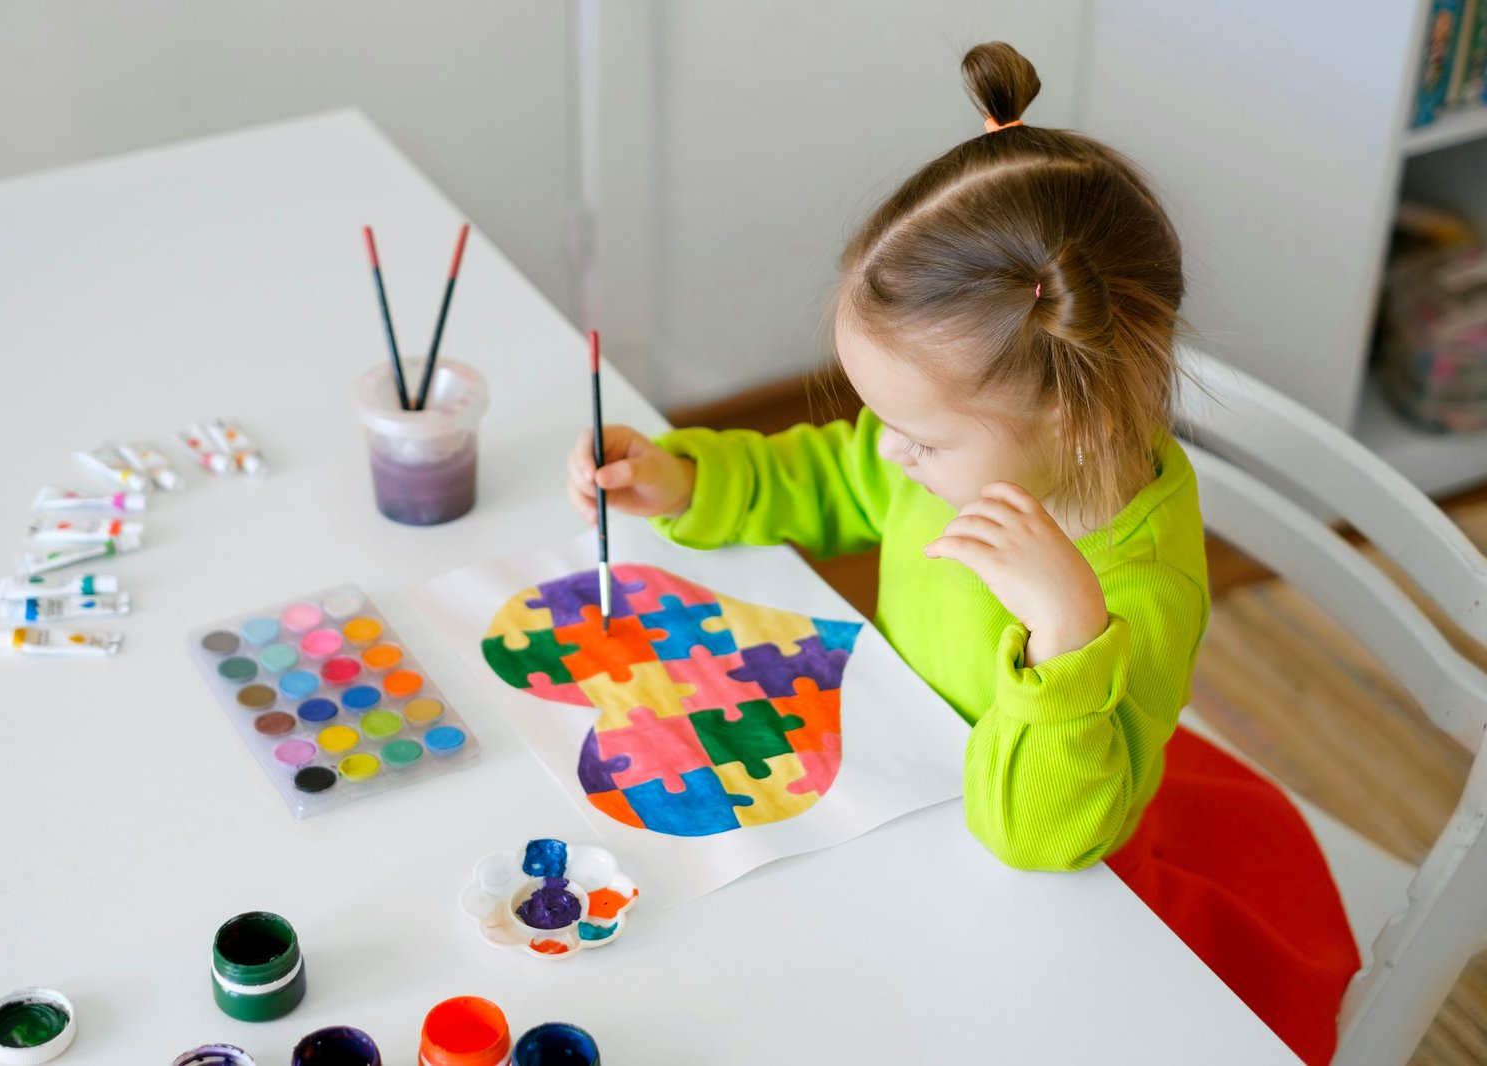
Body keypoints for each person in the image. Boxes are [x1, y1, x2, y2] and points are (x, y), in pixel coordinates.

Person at [566, 41, 1358, 1064]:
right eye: (881, 416)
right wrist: (689, 481)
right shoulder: (970, 450)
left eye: (923, 438)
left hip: (1065, 840)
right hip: (910, 774)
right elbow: (836, 475)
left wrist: (1065, 640)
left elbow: (1037, 839)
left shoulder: (1135, 584)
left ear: (1073, 418)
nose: (890, 452)